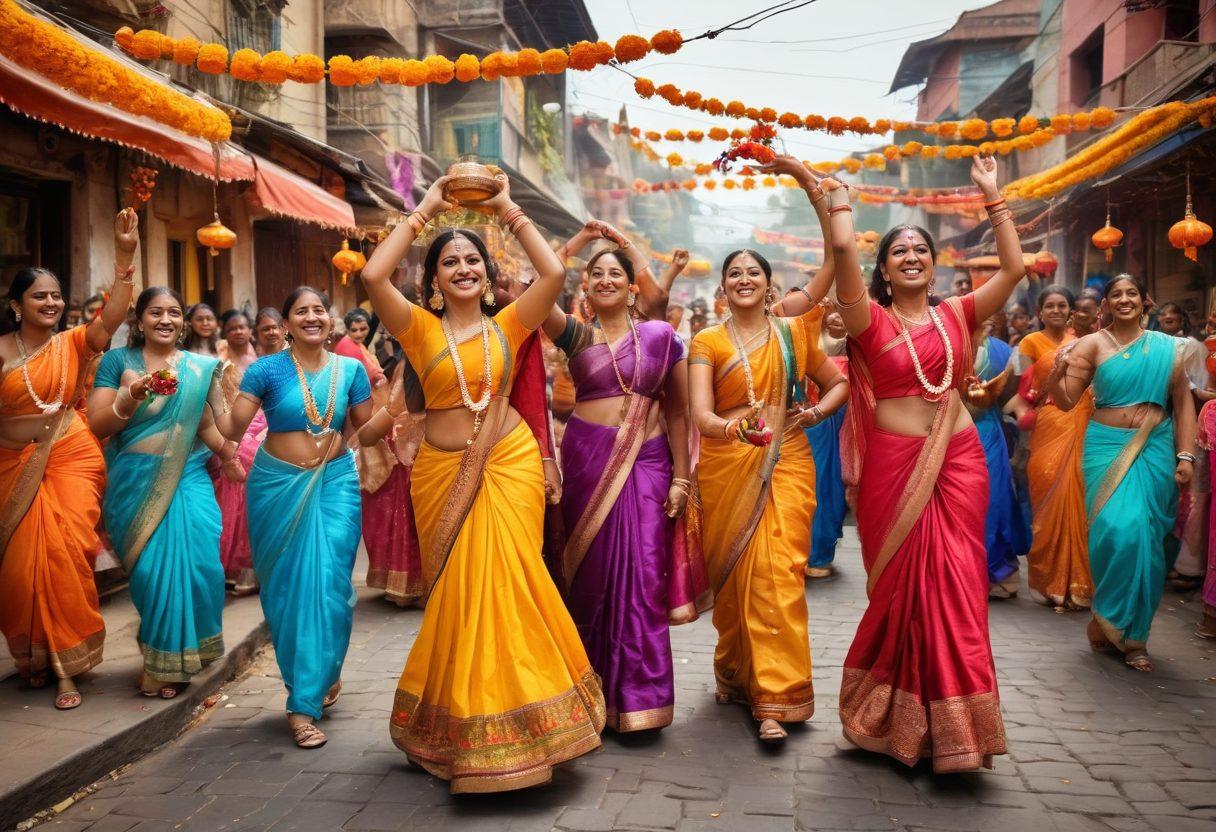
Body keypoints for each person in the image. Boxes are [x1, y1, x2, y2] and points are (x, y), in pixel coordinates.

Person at [362, 172, 605, 792]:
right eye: (451, 262)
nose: (464, 268)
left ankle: (522, 729)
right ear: (435, 281)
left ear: (486, 274)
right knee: (458, 596)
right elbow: (371, 278)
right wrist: (427, 208)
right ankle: (456, 723)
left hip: (508, 463)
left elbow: (553, 276)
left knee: (507, 583)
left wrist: (506, 209)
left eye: (473, 259)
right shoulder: (416, 327)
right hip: (442, 474)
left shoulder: (511, 326)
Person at [834, 155, 1022, 773]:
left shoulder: (958, 314)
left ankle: (956, 730)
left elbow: (1015, 268)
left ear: (934, 264)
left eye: (921, 249)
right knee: (901, 590)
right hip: (895, 464)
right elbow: (842, 263)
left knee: (958, 587)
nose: (911, 256)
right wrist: (835, 206)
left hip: (960, 459)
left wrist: (992, 197)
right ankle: (891, 717)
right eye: (898, 252)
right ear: (883, 271)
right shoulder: (868, 319)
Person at [688, 154, 847, 743]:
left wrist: (806, 184)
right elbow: (703, 415)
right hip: (731, 462)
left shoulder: (792, 329)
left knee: (778, 574)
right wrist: (734, 431)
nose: (745, 280)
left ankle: (777, 697)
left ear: (771, 284)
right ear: (723, 288)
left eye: (755, 272)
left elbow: (836, 260)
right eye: (735, 275)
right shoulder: (706, 339)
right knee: (734, 581)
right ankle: (737, 669)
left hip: (787, 461)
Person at [217, 286, 386, 748]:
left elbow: (367, 433)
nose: (312, 317)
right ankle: (302, 701)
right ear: (286, 323)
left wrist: (398, 402)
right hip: (276, 486)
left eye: (319, 310)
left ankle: (318, 673)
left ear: (328, 320)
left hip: (335, 483)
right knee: (290, 592)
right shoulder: (267, 370)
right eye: (301, 311)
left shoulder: (350, 369)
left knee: (332, 587)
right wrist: (215, 393)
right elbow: (233, 428)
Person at [540, 229, 692, 733]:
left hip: (648, 464)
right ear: (583, 287)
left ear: (631, 287)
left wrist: (682, 479)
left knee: (644, 577)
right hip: (587, 461)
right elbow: (538, 287)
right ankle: (589, 691)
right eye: (596, 273)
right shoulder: (574, 335)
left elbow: (678, 413)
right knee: (592, 578)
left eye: (616, 274)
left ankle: (640, 699)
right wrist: (578, 239)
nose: (605, 280)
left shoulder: (658, 337)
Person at [0, 209, 138, 710]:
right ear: (16, 305)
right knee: (19, 571)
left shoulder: (74, 342)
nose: (52, 303)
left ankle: (66, 669)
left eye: (56, 296)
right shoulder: (1, 352)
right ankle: (33, 658)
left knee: (65, 554)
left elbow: (115, 315)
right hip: (12, 465)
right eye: (40, 296)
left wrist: (125, 256)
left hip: (72, 454)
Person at [87, 287, 240, 697]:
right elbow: (98, 425)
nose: (165, 320)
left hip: (189, 477)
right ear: (139, 321)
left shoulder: (202, 367)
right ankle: (162, 663)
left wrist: (252, 405)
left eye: (174, 312)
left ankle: (179, 658)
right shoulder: (117, 362)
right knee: (153, 574)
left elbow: (221, 425)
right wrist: (128, 398)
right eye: (156, 312)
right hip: (133, 482)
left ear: (184, 322)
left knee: (202, 567)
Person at [1047, 274, 1195, 672]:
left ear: (1144, 300)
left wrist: (1186, 456)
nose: (1124, 300)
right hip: (1105, 448)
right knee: (1117, 530)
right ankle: (1110, 616)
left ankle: (1133, 638)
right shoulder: (1092, 345)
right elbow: (1064, 401)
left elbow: (1183, 404)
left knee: (1147, 540)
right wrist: (1054, 373)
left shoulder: (1169, 348)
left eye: (1132, 293)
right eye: (1117, 295)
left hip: (1157, 447)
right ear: (1106, 305)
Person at [334, 308, 425, 606]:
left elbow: (395, 405)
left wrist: (364, 437)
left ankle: (409, 582)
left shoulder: (410, 356)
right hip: (408, 441)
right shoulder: (397, 355)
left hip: (410, 444)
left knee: (401, 511)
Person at [1010, 287, 1093, 609]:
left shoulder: (1089, 340)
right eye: (1050, 306)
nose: (1056, 310)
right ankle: (1048, 582)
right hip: (1047, 423)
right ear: (1040, 312)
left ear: (1072, 310)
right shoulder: (1029, 344)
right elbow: (1020, 391)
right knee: (1046, 496)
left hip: (1085, 422)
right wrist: (1021, 414)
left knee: (1081, 499)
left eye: (1062, 305)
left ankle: (1080, 584)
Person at [968, 316, 1028, 598]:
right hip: (949, 433)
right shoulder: (946, 345)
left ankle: (996, 571)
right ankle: (960, 573)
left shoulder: (1007, 351)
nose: (988, 316)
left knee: (995, 500)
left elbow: (1022, 392)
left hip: (989, 433)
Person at [212, 310, 261, 595]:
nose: (239, 332)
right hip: (230, 421)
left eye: (243, 327)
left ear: (249, 330)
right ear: (225, 332)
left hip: (262, 421)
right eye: (232, 328)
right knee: (240, 456)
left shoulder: (260, 357)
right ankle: (230, 565)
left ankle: (252, 567)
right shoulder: (220, 358)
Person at [805, 303, 849, 579]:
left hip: (822, 423)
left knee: (823, 486)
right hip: (792, 423)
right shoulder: (792, 340)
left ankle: (818, 553)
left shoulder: (844, 343)